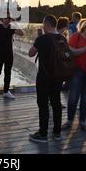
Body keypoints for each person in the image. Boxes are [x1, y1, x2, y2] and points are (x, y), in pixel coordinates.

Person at [28, 15, 66, 143]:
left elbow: (31, 53)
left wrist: (37, 41)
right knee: (56, 103)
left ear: (47, 24)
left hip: (44, 77)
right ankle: (57, 132)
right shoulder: (62, 38)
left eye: (44, 24)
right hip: (58, 77)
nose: (43, 27)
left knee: (43, 104)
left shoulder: (42, 39)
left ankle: (43, 134)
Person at [62, 19, 86, 134]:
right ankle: (69, 121)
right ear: (84, 27)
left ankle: (83, 122)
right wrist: (85, 49)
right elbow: (71, 51)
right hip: (77, 71)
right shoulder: (76, 37)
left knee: (85, 98)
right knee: (73, 96)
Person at [0, 16, 24, 101]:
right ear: (2, 18)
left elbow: (21, 33)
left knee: (8, 73)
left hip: (9, 54)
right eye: (6, 18)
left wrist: (15, 22)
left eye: (9, 18)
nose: (8, 19)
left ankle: (6, 91)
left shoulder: (11, 27)